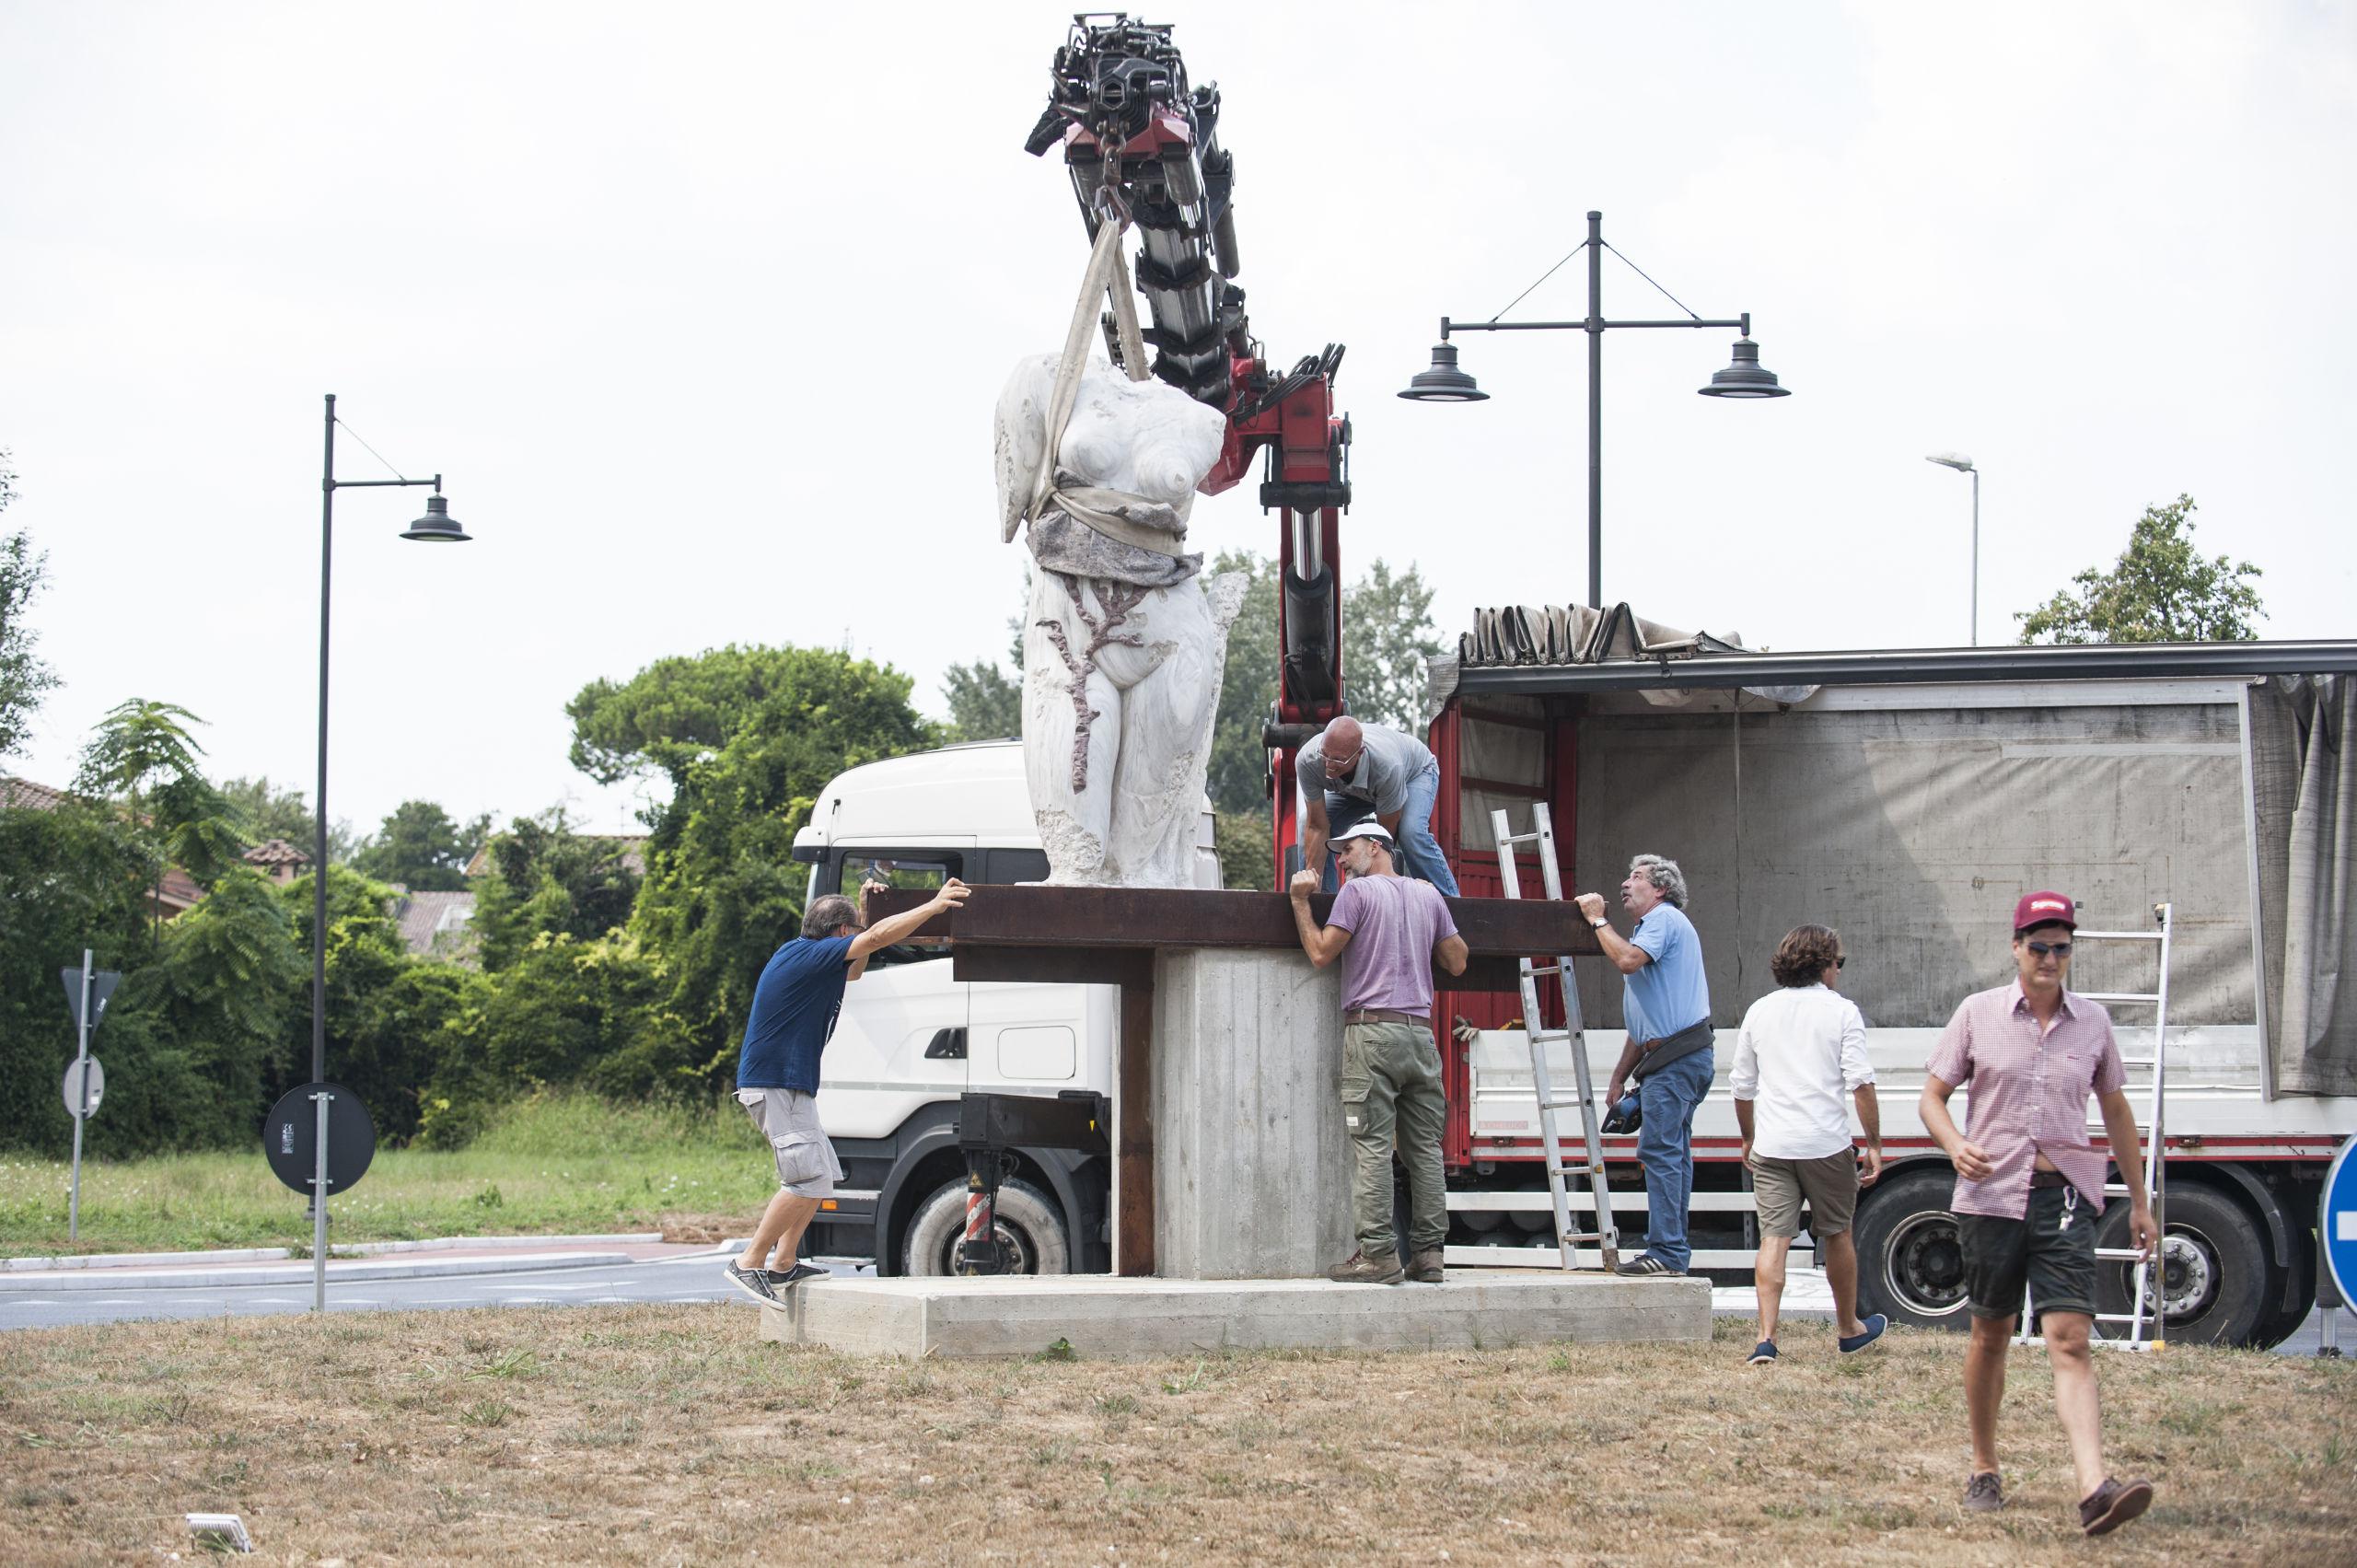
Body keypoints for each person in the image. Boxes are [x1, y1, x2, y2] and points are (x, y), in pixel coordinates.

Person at [1920, 890, 2161, 1537]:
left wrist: (2140, 1202)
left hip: (2065, 1197)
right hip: (1992, 1195)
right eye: (2039, 945)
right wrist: (1953, 1142)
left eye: (2062, 946)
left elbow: (2115, 1113)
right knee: (1990, 1333)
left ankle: (2094, 1488)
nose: (2051, 957)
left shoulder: (2094, 1023)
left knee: (2071, 1337)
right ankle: (1983, 1465)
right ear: (2015, 946)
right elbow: (1933, 1096)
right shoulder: (1978, 1013)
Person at [725, 876, 972, 1304]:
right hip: (774, 1083)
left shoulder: (806, 955)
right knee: (803, 1179)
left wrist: (862, 904)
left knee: (821, 1178)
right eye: (853, 929)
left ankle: (784, 1264)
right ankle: (749, 1261)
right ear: (841, 933)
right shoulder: (812, 957)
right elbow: (875, 938)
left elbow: (857, 967)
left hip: (790, 1084)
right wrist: (934, 906)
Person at [1288, 820, 1469, 1284]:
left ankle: (1379, 1256)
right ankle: (1429, 1257)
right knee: (1425, 1151)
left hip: (1372, 1034)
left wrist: (1299, 902)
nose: (1341, 861)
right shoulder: (1428, 895)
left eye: (1347, 851)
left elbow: (1322, 953)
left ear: (1375, 846)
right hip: (1421, 1037)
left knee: (1371, 1149)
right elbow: (1457, 961)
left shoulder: (1357, 893)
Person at [1729, 923, 1886, 1364]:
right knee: (1837, 1233)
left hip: (1774, 1144)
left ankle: (1766, 1338)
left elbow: (1742, 1086)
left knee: (1773, 1239)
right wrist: (1873, 1143)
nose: (1839, 970)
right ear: (1823, 964)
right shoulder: (1841, 1012)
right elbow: (1861, 1083)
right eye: (1839, 962)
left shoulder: (1760, 1010)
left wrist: (1748, 1137)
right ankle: (1849, 1328)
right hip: (1825, 1144)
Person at [1575, 854, 1712, 1278]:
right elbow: (1643, 1023)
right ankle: (1671, 1250)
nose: (1625, 883)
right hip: (1674, 1055)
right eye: (1627, 874)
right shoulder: (1653, 928)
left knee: (1660, 1151)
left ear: (1661, 890)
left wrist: (1598, 921)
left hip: (1675, 1058)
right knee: (1674, 1153)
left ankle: (1668, 1253)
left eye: (1636, 877)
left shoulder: (1662, 921)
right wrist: (1619, 1074)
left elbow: (1627, 961)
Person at [1297, 715, 1461, 896]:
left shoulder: (1387, 767)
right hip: (1355, 788)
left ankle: (1447, 903)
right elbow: (1317, 827)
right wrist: (1310, 888)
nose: (1328, 765)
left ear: (1359, 753)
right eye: (1325, 755)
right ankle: (1323, 901)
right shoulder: (1308, 760)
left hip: (1414, 774)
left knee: (1410, 833)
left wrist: (1370, 890)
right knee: (1305, 820)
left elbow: (1384, 837)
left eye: (1338, 760)